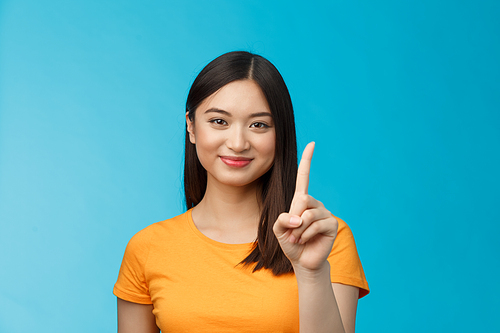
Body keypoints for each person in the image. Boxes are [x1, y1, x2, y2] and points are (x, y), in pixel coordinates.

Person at [113, 51, 369, 333]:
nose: (237, 143)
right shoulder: (147, 248)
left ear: (279, 133)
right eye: (219, 121)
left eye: (258, 125)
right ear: (191, 126)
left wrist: (311, 272)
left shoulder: (321, 238)